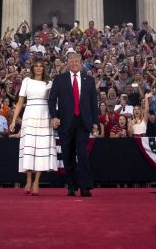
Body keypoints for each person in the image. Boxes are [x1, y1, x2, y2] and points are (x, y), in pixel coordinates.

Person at [48, 50, 99, 197]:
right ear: (68, 64)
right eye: (72, 62)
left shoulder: (89, 80)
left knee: (82, 154)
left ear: (81, 64)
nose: (74, 64)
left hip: (83, 123)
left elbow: (93, 103)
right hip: (65, 123)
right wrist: (54, 116)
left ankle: (85, 187)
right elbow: (52, 100)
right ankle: (71, 185)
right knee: (68, 155)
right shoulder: (59, 79)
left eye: (77, 62)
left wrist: (95, 121)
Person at [10, 59, 57, 196]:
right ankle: (28, 179)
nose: (38, 68)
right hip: (29, 115)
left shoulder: (49, 83)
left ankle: (37, 181)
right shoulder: (26, 81)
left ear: (44, 68)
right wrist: (13, 121)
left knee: (41, 149)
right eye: (36, 66)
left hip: (44, 116)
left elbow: (53, 102)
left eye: (41, 66)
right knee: (29, 148)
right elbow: (19, 103)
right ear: (32, 68)